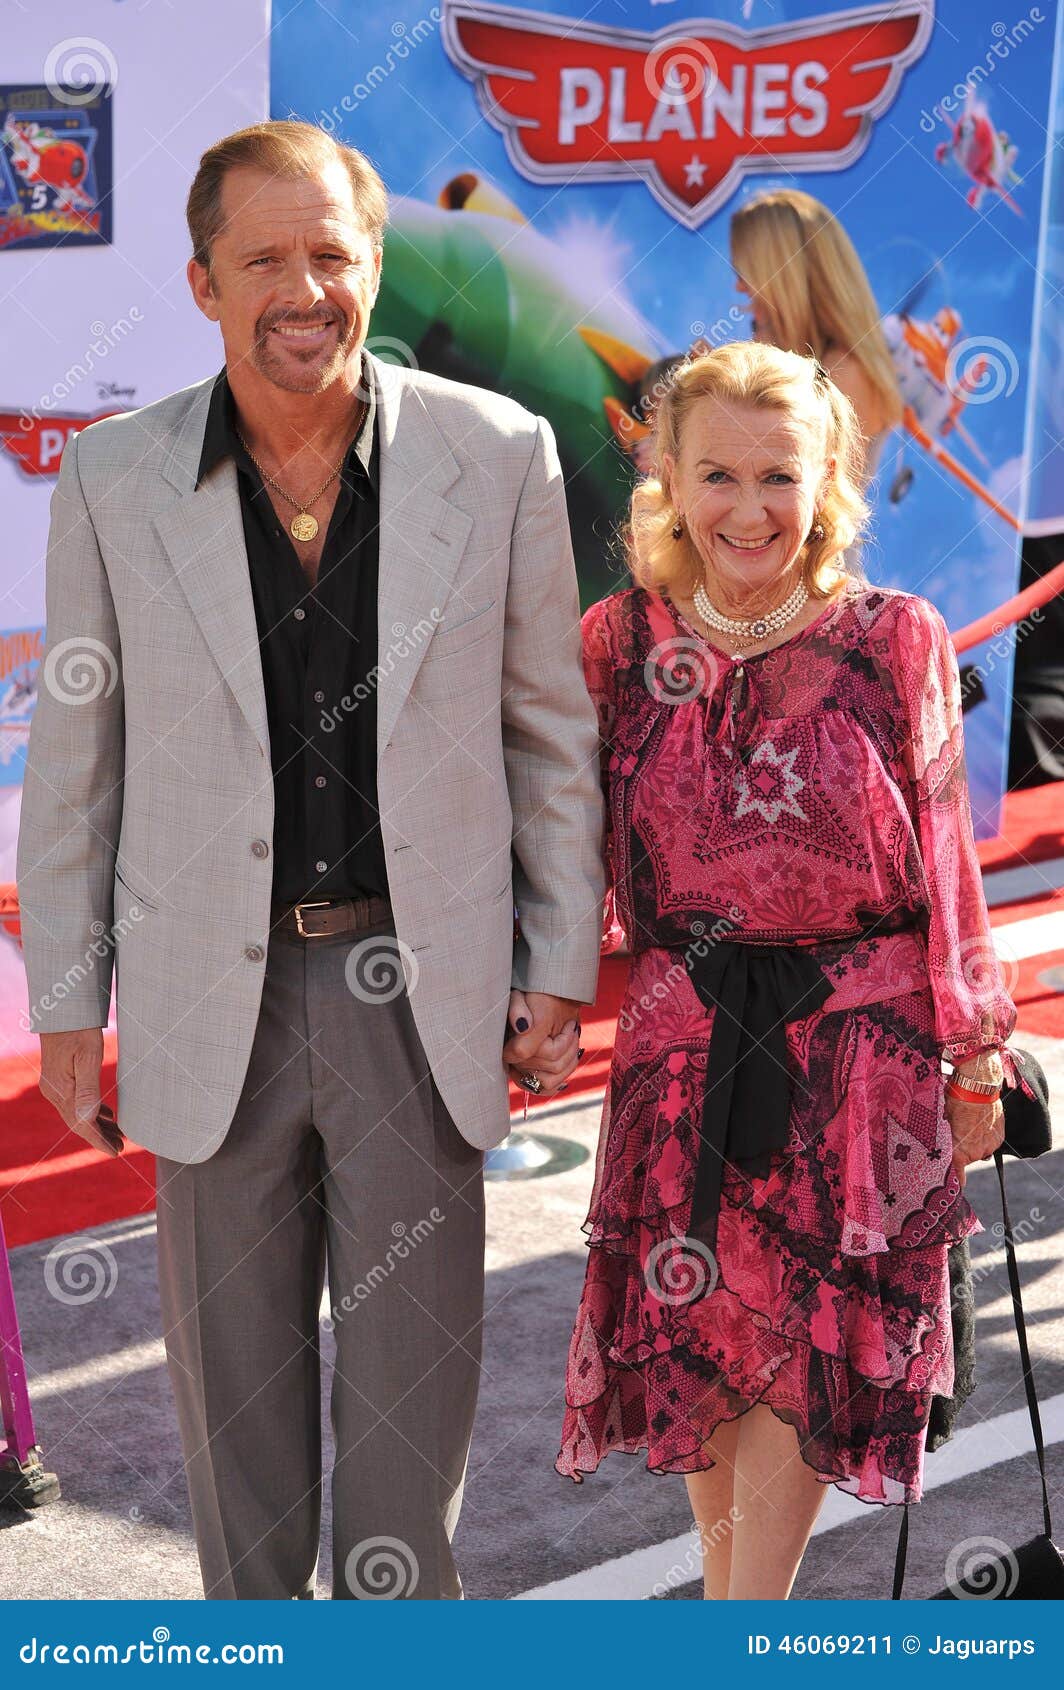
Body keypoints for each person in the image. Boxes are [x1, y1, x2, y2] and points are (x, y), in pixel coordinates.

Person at [16, 119, 606, 1600]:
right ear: (205, 281)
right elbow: (79, 765)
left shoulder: (499, 454)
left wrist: (555, 961)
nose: (303, 287)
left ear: (376, 265)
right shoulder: (112, 476)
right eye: (263, 258)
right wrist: (70, 1004)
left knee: (414, 1442)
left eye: (331, 254)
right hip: (211, 998)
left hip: (424, 998)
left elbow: (548, 732)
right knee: (240, 1441)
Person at [555, 339, 1017, 1600]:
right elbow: (562, 845)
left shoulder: (893, 640)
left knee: (806, 1362)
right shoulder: (616, 642)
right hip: (680, 1054)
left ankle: (738, 1629)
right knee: (708, 1353)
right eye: (716, 474)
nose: (747, 510)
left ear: (827, 485)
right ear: (664, 477)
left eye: (778, 476)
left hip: (854, 1064)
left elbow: (942, 850)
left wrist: (975, 1042)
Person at [729, 188, 902, 480]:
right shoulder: (816, 363)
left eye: (746, 274)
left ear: (786, 280)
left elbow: (798, 491)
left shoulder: (844, 375)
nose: (740, 288)